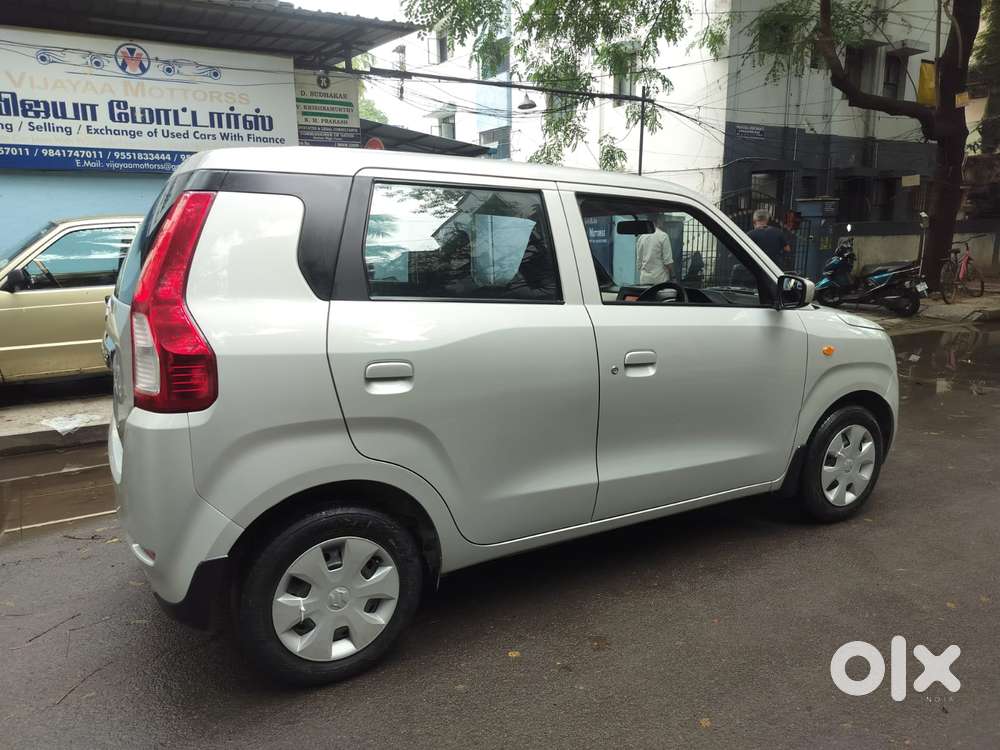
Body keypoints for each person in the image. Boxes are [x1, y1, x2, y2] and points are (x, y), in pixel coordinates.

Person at [635, 214, 674, 284]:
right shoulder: (663, 236)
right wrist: (673, 276)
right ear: (658, 221)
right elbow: (668, 262)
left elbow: (639, 263)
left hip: (644, 280)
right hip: (660, 280)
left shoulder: (641, 237)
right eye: (662, 220)